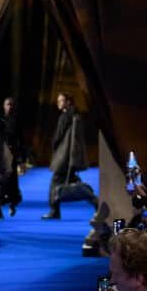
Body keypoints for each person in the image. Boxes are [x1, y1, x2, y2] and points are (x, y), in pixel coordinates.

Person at [43, 92, 97, 220]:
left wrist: (55, 145)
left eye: (61, 100)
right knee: (76, 184)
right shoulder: (74, 116)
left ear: (68, 102)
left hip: (64, 157)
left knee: (55, 183)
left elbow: (60, 137)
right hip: (69, 157)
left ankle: (54, 210)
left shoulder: (67, 117)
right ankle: (96, 202)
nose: (58, 103)